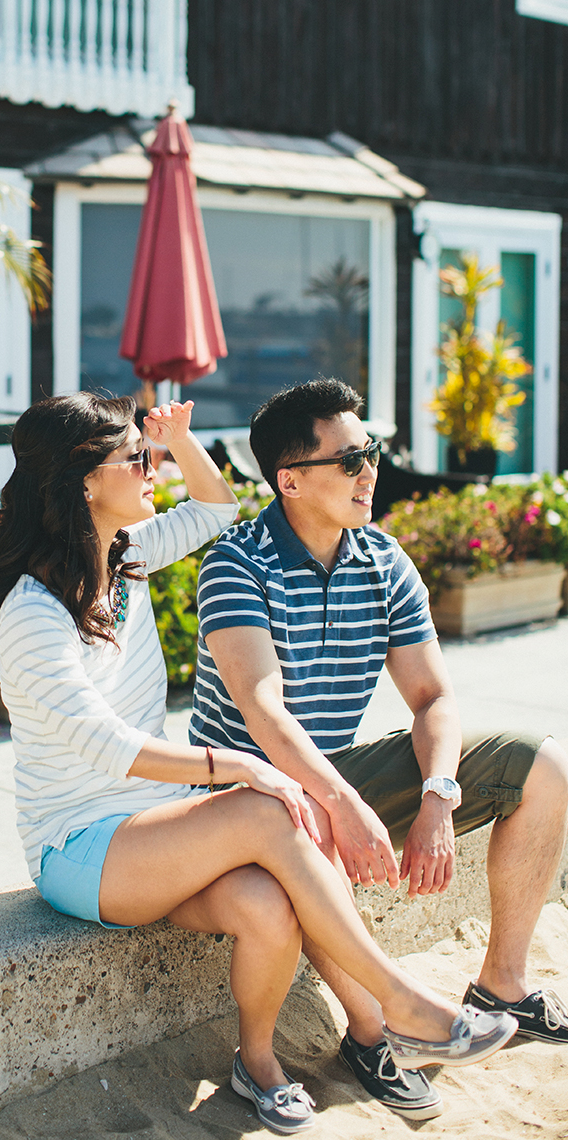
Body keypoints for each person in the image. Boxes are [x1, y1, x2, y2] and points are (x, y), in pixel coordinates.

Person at [0, 392, 515, 1136]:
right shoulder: (34, 612)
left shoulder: (123, 561)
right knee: (270, 804)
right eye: (137, 456)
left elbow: (216, 508)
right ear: (85, 481)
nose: (151, 465)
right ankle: (398, 1004)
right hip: (81, 847)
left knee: (266, 901)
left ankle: (256, 1060)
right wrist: (240, 768)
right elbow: (109, 748)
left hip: (155, 831)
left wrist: (183, 440)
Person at [193, 378, 568, 1120]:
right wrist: (342, 803)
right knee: (309, 827)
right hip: (247, 800)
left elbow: (433, 699)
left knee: (544, 765)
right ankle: (374, 1032)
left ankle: (502, 984)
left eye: (374, 453)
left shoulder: (384, 559)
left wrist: (437, 795)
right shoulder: (237, 562)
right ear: (290, 480)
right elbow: (264, 715)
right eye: (351, 458)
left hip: (336, 780)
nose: (371, 471)